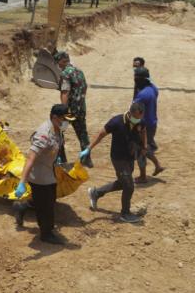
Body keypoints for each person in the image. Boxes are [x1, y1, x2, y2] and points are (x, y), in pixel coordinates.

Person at [14, 104, 75, 245]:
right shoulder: (44, 134)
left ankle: (22, 207)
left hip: (49, 170)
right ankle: (46, 233)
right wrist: (22, 182)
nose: (67, 123)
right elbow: (30, 158)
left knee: (48, 199)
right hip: (39, 175)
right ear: (54, 118)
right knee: (46, 206)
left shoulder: (57, 129)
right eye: (64, 119)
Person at [80, 103, 147, 223]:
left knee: (123, 183)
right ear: (130, 113)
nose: (138, 120)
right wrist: (89, 148)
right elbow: (101, 134)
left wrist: (144, 146)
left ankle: (96, 193)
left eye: (140, 118)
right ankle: (125, 213)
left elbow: (143, 131)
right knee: (129, 185)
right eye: (136, 117)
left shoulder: (140, 121)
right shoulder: (116, 122)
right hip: (118, 158)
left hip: (130, 157)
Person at [55, 51, 93, 168]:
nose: (58, 65)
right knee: (82, 134)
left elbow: (65, 92)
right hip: (81, 108)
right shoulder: (79, 71)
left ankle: (61, 160)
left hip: (70, 111)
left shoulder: (65, 74)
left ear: (62, 61)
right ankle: (87, 159)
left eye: (58, 62)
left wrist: (63, 110)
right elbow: (85, 88)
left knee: (58, 132)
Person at [132, 67, 165, 183]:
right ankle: (157, 165)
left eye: (136, 78)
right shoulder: (153, 88)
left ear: (140, 79)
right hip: (152, 123)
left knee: (140, 150)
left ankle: (143, 176)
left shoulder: (141, 95)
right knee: (145, 147)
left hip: (143, 126)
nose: (134, 80)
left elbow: (134, 112)